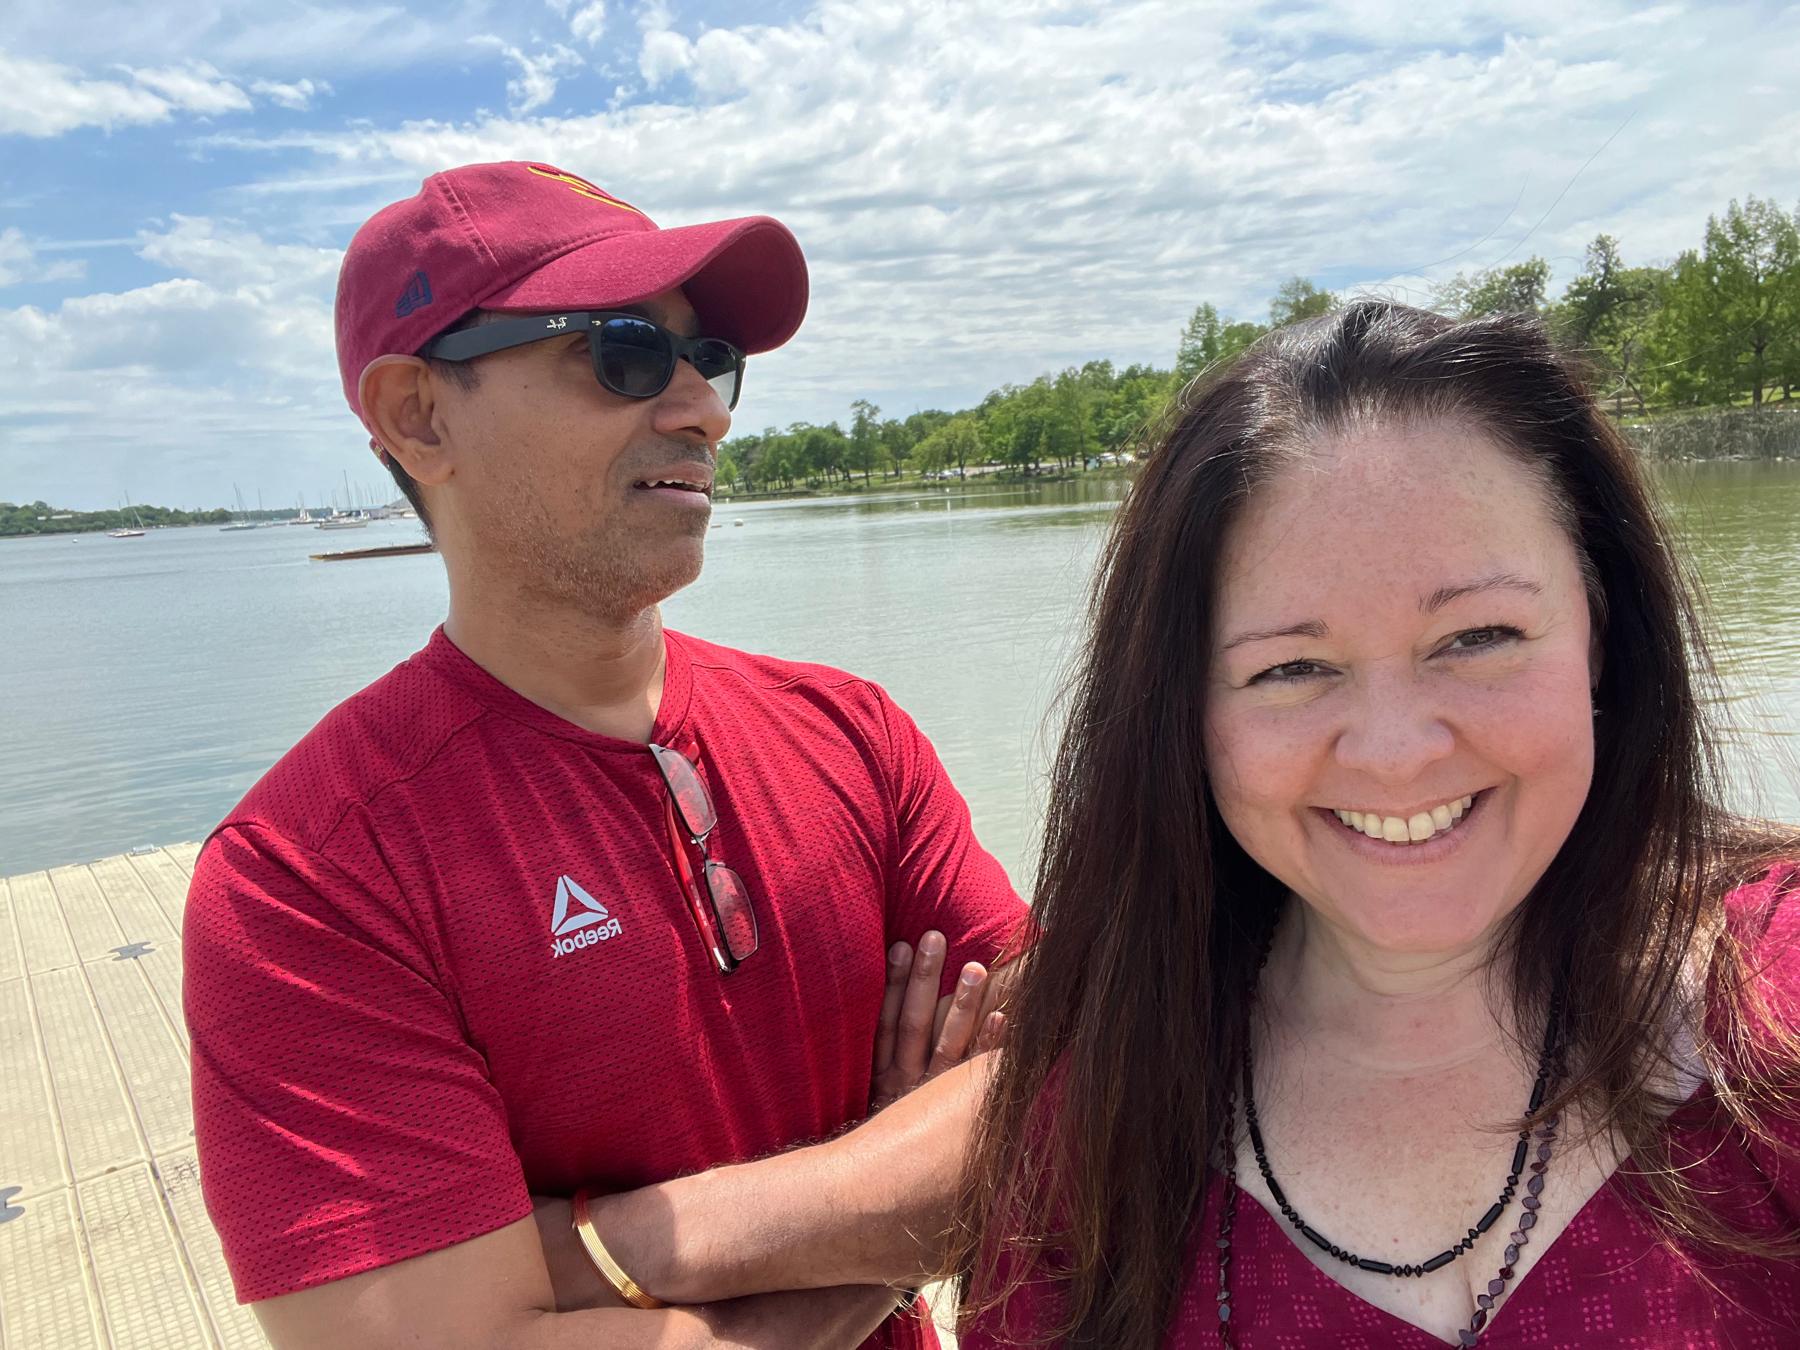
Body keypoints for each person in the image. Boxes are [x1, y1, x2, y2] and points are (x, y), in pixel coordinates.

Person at [183, 160, 1028, 1350]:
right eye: (625, 352)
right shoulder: (309, 880)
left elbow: (1073, 1069)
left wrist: (591, 1251)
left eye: (711, 358)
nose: (705, 410)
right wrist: (895, 1213)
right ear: (418, 415)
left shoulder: (852, 732)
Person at [946, 301, 1800, 1348]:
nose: (1396, 754)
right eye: (1292, 668)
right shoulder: (1091, 1127)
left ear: (1601, 637)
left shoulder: (1774, 1014)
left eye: (1478, 635)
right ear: (1182, 715)